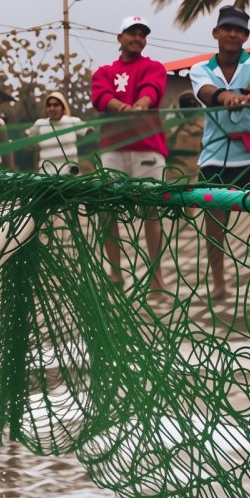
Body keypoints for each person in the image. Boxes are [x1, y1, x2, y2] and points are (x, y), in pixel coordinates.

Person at [188, 5, 250, 305]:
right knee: (214, 224)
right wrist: (226, 97)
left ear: (245, 36)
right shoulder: (200, 69)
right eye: (226, 28)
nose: (232, 33)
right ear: (216, 32)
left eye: (239, 30)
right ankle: (219, 283)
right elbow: (206, 92)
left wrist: (248, 96)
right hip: (215, 154)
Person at [91, 15, 168, 292]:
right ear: (119, 38)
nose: (137, 38)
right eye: (131, 33)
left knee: (151, 211)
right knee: (108, 210)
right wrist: (124, 108)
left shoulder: (154, 67)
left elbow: (152, 90)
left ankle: (156, 275)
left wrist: (142, 104)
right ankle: (115, 272)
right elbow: (100, 96)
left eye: (142, 34)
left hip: (148, 149)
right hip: (113, 148)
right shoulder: (104, 71)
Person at [25, 91, 91, 175]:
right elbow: (29, 136)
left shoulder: (72, 121)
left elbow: (88, 130)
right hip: (46, 175)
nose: (51, 108)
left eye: (56, 105)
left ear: (63, 107)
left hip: (69, 175)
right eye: (49, 105)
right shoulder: (40, 124)